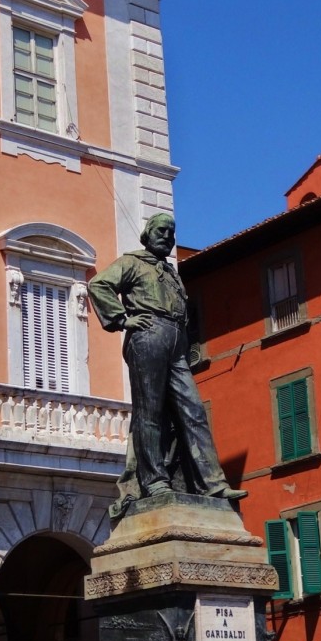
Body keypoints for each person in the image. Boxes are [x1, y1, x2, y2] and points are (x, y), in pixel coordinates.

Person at [88, 214, 247, 513]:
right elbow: (99, 285)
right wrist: (122, 319)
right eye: (161, 230)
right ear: (147, 234)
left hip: (177, 341)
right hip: (148, 336)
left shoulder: (172, 273)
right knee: (151, 412)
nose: (167, 236)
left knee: (194, 411)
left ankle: (211, 482)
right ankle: (154, 481)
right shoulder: (131, 263)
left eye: (171, 232)